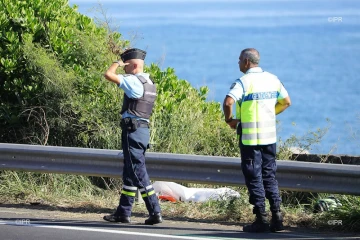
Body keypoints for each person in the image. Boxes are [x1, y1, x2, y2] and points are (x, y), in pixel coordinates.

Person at [223, 48, 291, 233]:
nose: (238, 63)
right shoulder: (273, 79)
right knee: (269, 175)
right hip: (269, 137)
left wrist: (230, 121)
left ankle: (261, 219)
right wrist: (269, 114)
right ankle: (277, 217)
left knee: (254, 176)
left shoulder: (243, 82)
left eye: (239, 60)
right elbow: (286, 102)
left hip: (250, 138)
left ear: (246, 61)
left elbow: (228, 102)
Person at [103, 48, 162, 225]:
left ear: (133, 65)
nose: (124, 69)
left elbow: (108, 75)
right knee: (130, 173)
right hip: (142, 130)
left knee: (138, 173)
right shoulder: (149, 82)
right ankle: (123, 212)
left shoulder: (134, 82)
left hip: (132, 131)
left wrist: (116, 63)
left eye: (126, 66)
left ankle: (155, 211)